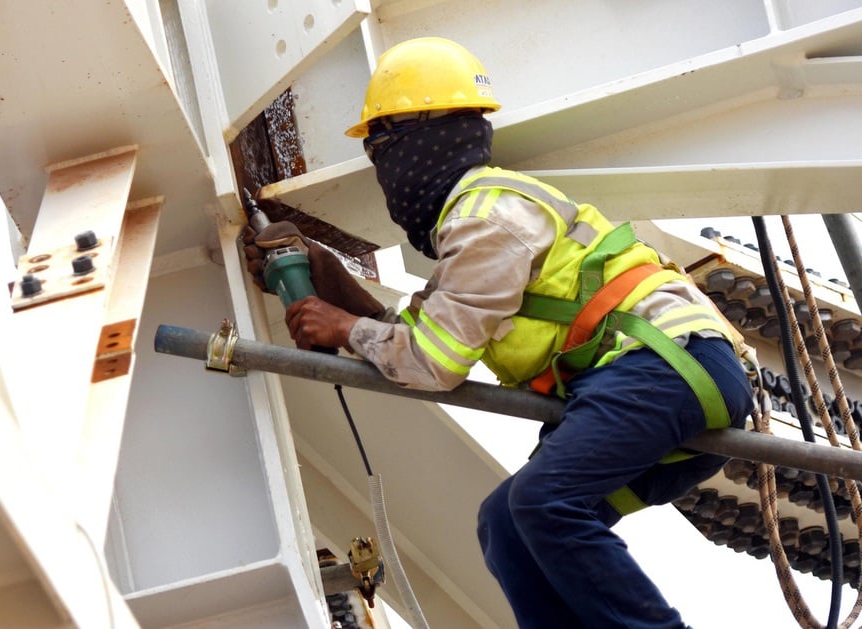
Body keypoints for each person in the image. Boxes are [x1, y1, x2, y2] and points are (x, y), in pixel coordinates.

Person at [243, 37, 754, 628]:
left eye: (384, 147)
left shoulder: (484, 218)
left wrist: (341, 325)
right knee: (508, 524)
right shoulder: (480, 230)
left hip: (661, 368)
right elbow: (411, 339)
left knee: (542, 505)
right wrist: (333, 283)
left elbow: (432, 364)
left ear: (421, 139)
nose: (383, 169)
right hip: (645, 383)